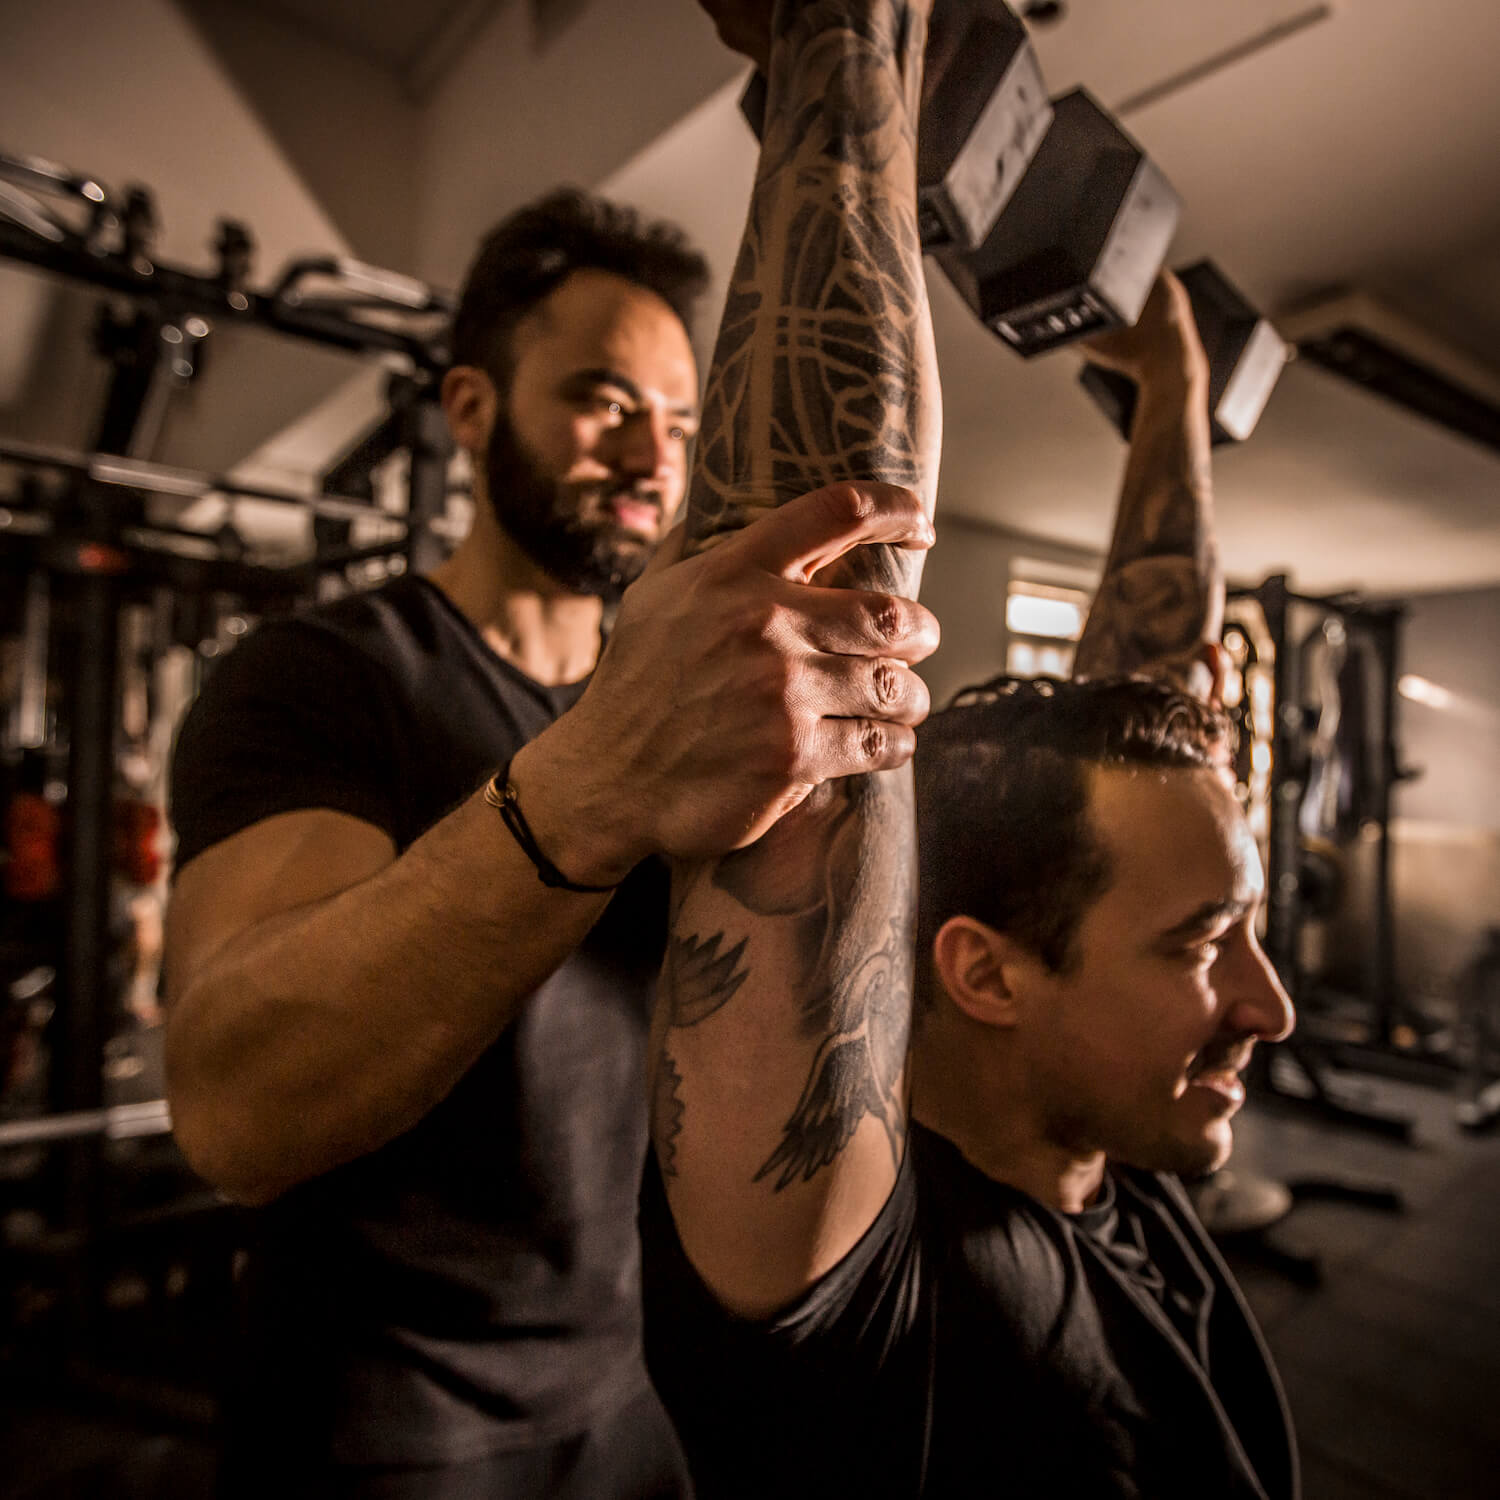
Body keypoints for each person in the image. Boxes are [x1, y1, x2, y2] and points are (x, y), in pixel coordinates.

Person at [164, 187, 938, 1495]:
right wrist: (600, 778)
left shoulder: (710, 716)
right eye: (605, 401)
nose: (654, 458)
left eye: (679, 422)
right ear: (470, 409)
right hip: (394, 1415)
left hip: (631, 1387)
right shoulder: (322, 674)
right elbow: (234, 1109)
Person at [638, 19, 1300, 1480]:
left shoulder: (1097, 1142)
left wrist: (1174, 375)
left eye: (1238, 934)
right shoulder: (861, 1292)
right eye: (1201, 945)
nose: (1273, 1008)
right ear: (981, 971)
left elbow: (1139, 695)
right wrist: (846, 39)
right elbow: (813, 602)